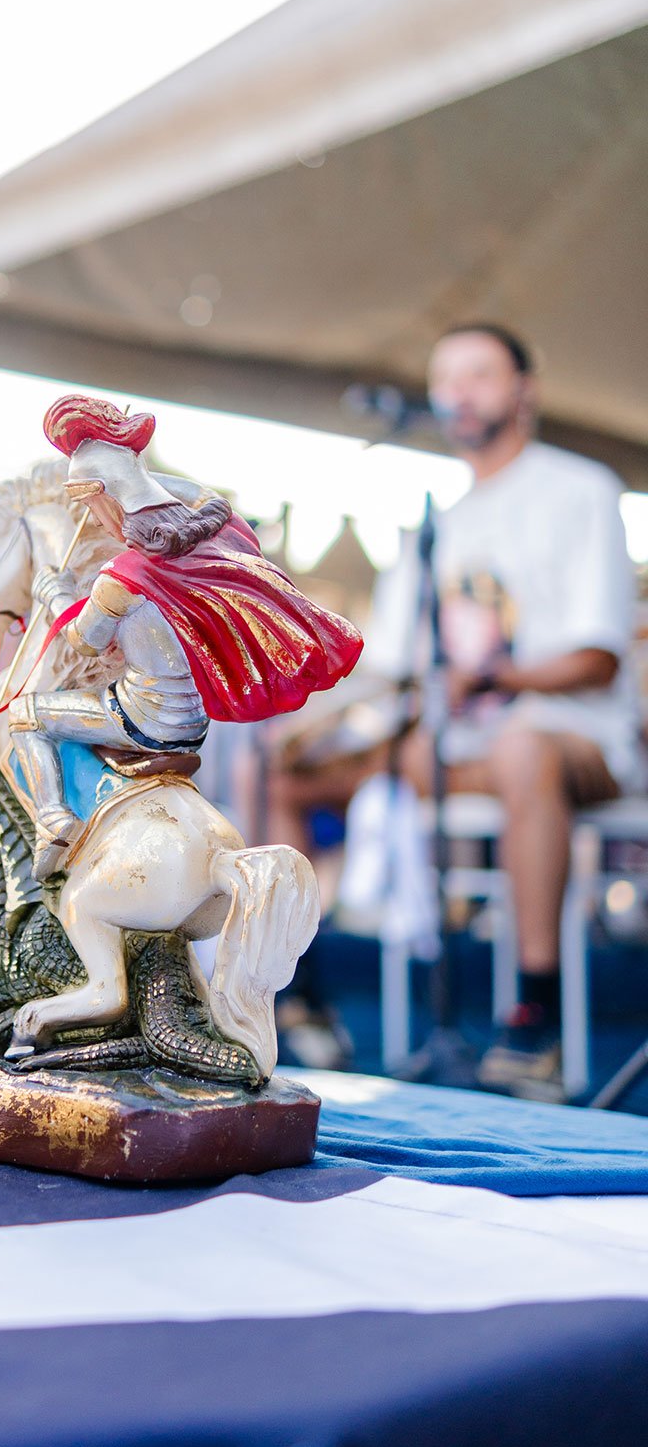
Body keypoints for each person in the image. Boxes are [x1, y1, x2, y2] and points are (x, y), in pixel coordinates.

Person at [272, 323, 642, 1097]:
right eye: (446, 379)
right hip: (455, 747)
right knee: (285, 775)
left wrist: (495, 677)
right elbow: (392, 669)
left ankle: (534, 1017)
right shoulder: (437, 522)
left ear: (524, 391)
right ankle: (296, 998)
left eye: (479, 374)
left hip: (573, 739)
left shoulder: (581, 489)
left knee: (522, 748)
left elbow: (599, 656)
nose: (457, 393)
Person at [10, 393, 363, 880]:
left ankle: (52, 822)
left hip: (143, 719)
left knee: (27, 715)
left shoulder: (123, 576)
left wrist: (55, 592)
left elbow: (82, 641)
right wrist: (135, 476)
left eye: (92, 505)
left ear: (105, 496)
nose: (93, 518)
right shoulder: (215, 535)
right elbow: (196, 496)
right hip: (194, 721)